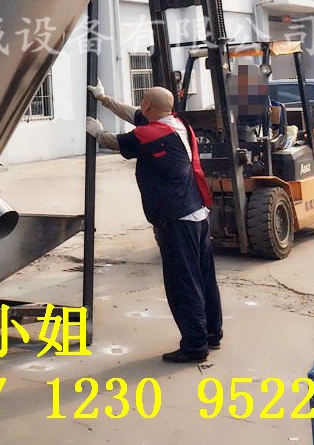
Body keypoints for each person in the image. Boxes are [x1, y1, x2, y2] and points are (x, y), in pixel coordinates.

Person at [86, 81, 222, 363]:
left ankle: (195, 346)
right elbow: (134, 115)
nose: (140, 107)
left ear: (148, 105)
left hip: (176, 219)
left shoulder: (150, 134)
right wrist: (104, 98)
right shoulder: (178, 124)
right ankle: (211, 333)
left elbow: (116, 142)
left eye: (143, 102)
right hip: (197, 212)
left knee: (183, 284)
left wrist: (97, 132)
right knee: (203, 277)